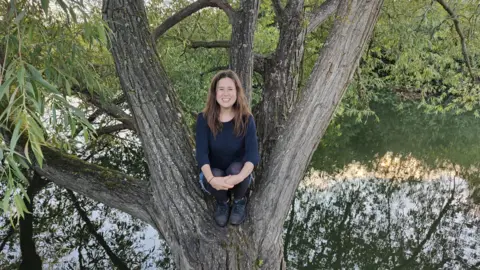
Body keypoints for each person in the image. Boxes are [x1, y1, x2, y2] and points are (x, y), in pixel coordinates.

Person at [196, 70, 260, 227]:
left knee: (238, 169)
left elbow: (252, 156)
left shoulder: (247, 119)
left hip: (239, 176)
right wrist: (211, 179)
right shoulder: (203, 119)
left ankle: (239, 200)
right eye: (221, 89)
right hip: (214, 176)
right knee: (216, 172)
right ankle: (223, 202)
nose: (226, 94)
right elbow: (201, 154)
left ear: (237, 92)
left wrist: (238, 178)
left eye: (230, 89)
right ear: (214, 93)